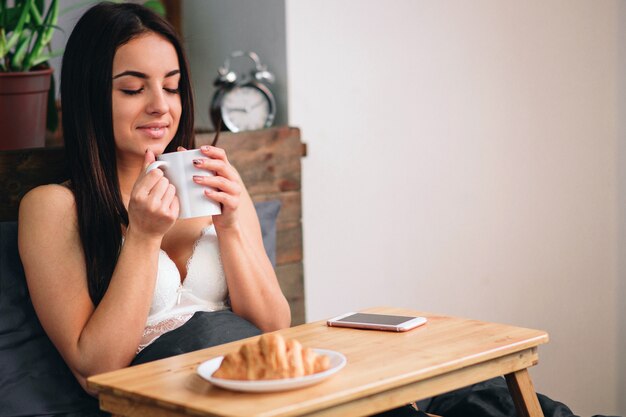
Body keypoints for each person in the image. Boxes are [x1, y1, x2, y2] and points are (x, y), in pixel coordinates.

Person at [18, 1, 290, 403]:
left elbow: (275, 329)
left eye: (172, 85)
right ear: (89, 94)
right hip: (163, 402)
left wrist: (230, 226)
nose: (160, 106)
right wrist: (143, 237)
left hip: (258, 383)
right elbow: (95, 370)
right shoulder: (53, 207)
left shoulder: (211, 182)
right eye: (133, 88)